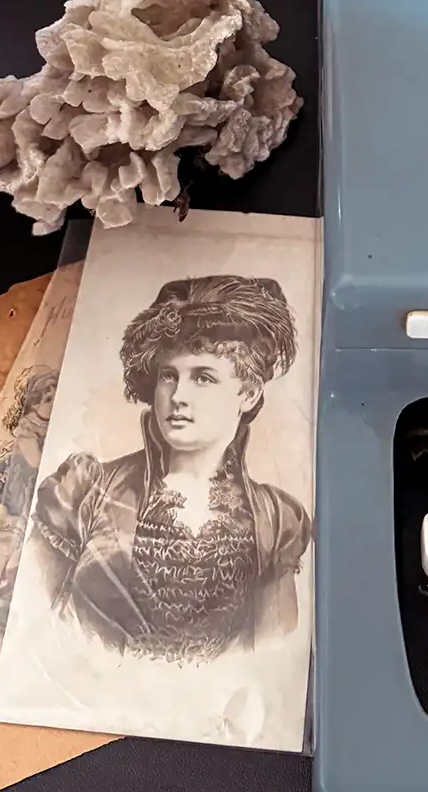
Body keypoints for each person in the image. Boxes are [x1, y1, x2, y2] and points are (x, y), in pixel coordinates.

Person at [30, 275, 311, 662]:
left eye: (203, 377)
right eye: (169, 375)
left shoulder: (278, 521)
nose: (178, 396)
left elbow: (271, 656)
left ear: (248, 393)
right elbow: (35, 627)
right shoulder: (84, 490)